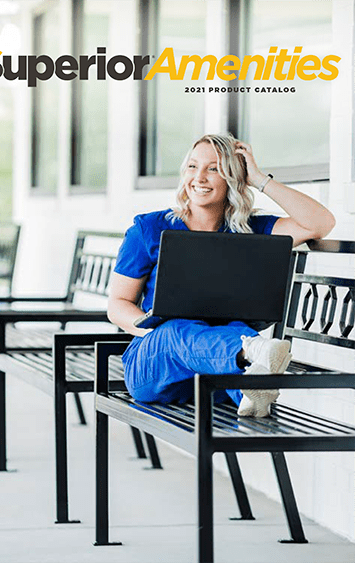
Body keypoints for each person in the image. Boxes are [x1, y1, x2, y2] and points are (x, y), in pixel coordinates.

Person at [108, 134, 335, 417]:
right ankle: (250, 351)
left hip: (215, 377)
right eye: (192, 166)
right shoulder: (149, 228)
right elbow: (117, 304)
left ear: (233, 178)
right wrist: (152, 330)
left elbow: (320, 224)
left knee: (236, 326)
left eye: (213, 169)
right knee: (176, 330)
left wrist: (259, 179)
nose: (199, 177)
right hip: (156, 369)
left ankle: (250, 390)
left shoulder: (251, 229)